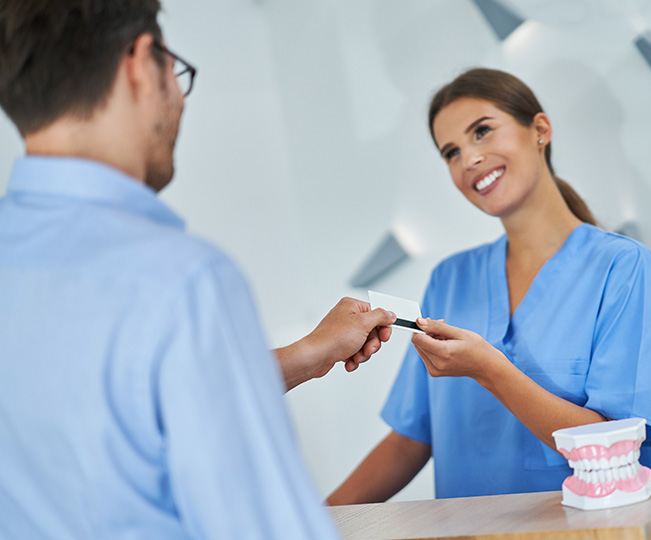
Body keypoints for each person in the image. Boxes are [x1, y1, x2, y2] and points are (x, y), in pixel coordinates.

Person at [0, 1, 396, 538]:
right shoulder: (181, 280)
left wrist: (308, 354)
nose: (181, 100)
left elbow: (115, 409)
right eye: (176, 71)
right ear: (142, 62)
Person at [327, 68, 651, 504]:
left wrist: (490, 370)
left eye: (483, 132)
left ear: (540, 130)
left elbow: (614, 446)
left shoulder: (622, 268)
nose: (468, 158)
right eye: (451, 151)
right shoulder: (450, 280)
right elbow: (409, 440)